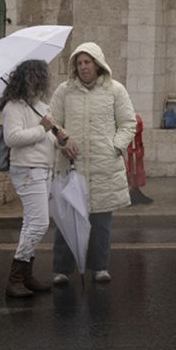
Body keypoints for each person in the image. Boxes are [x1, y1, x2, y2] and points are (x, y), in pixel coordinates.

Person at [47, 42, 137, 286]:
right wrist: (62, 142)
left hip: (103, 167)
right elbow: (51, 124)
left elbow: (128, 123)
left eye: (87, 62)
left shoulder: (115, 90)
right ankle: (62, 269)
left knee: (100, 223)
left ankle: (99, 267)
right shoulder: (64, 91)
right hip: (71, 166)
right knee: (67, 220)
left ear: (97, 64)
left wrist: (115, 147)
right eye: (79, 63)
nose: (83, 67)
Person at [0, 59, 64, 298]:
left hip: (44, 168)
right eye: (36, 76)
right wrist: (43, 128)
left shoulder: (40, 106)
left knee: (30, 223)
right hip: (27, 169)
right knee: (39, 223)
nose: (40, 80)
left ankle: (26, 275)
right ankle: (15, 277)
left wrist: (60, 139)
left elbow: (48, 139)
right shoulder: (13, 107)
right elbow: (12, 138)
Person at [126, 113, 152, 205]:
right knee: (132, 169)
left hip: (137, 148)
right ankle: (133, 188)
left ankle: (135, 187)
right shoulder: (132, 120)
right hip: (132, 148)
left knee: (137, 169)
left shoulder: (135, 119)